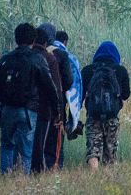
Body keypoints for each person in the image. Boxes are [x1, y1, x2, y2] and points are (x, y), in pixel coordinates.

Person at [0, 23, 59, 175]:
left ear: (16, 38)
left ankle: (6, 181)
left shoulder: (6, 59)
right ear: (34, 40)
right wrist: (57, 111)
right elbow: (50, 87)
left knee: (7, 145)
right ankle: (21, 182)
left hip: (6, 110)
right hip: (28, 110)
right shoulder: (38, 59)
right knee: (26, 150)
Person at [81, 41, 130, 169]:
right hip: (112, 116)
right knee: (110, 149)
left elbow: (80, 96)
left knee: (93, 148)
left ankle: (94, 177)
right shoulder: (120, 70)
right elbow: (126, 95)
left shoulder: (87, 70)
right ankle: (108, 180)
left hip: (93, 115)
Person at [37, 22, 74, 170]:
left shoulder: (34, 52)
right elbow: (69, 81)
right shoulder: (61, 54)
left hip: (35, 105)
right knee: (56, 141)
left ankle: (36, 171)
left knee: (38, 141)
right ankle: (55, 171)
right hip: (57, 104)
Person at [31, 28, 65, 173]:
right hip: (45, 109)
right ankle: (43, 172)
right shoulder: (51, 57)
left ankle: (18, 173)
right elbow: (56, 87)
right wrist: (59, 111)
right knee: (44, 143)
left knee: (26, 144)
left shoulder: (26, 56)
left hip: (25, 106)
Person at [54, 30, 84, 146]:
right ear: (65, 42)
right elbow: (74, 85)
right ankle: (58, 163)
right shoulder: (70, 58)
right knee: (57, 138)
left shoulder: (44, 53)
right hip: (60, 101)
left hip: (40, 104)